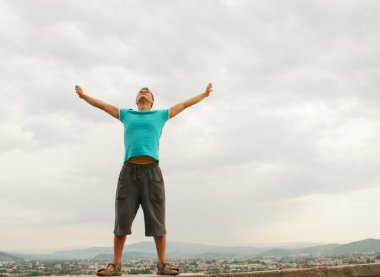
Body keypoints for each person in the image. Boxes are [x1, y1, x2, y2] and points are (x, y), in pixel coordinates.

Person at [75, 83, 213, 276]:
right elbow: (104, 105)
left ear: (152, 101)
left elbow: (184, 105)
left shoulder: (160, 115)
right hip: (128, 172)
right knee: (121, 220)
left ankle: (162, 264)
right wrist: (84, 96)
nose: (143, 91)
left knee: (158, 221)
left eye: (147, 91)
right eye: (141, 90)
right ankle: (115, 265)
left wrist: (204, 95)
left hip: (152, 173)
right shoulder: (126, 114)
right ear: (136, 100)